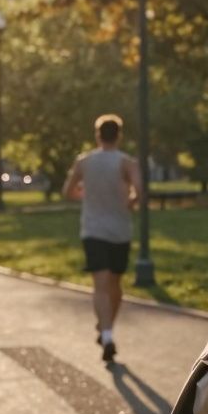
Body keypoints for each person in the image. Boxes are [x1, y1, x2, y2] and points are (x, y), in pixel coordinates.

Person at [61, 114, 141, 363]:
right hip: (120, 230)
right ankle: (107, 332)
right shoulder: (127, 163)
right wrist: (130, 202)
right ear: (119, 135)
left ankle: (105, 331)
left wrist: (86, 194)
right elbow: (140, 192)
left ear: (97, 135)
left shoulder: (84, 162)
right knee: (115, 285)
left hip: (93, 229)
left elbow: (68, 192)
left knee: (101, 285)